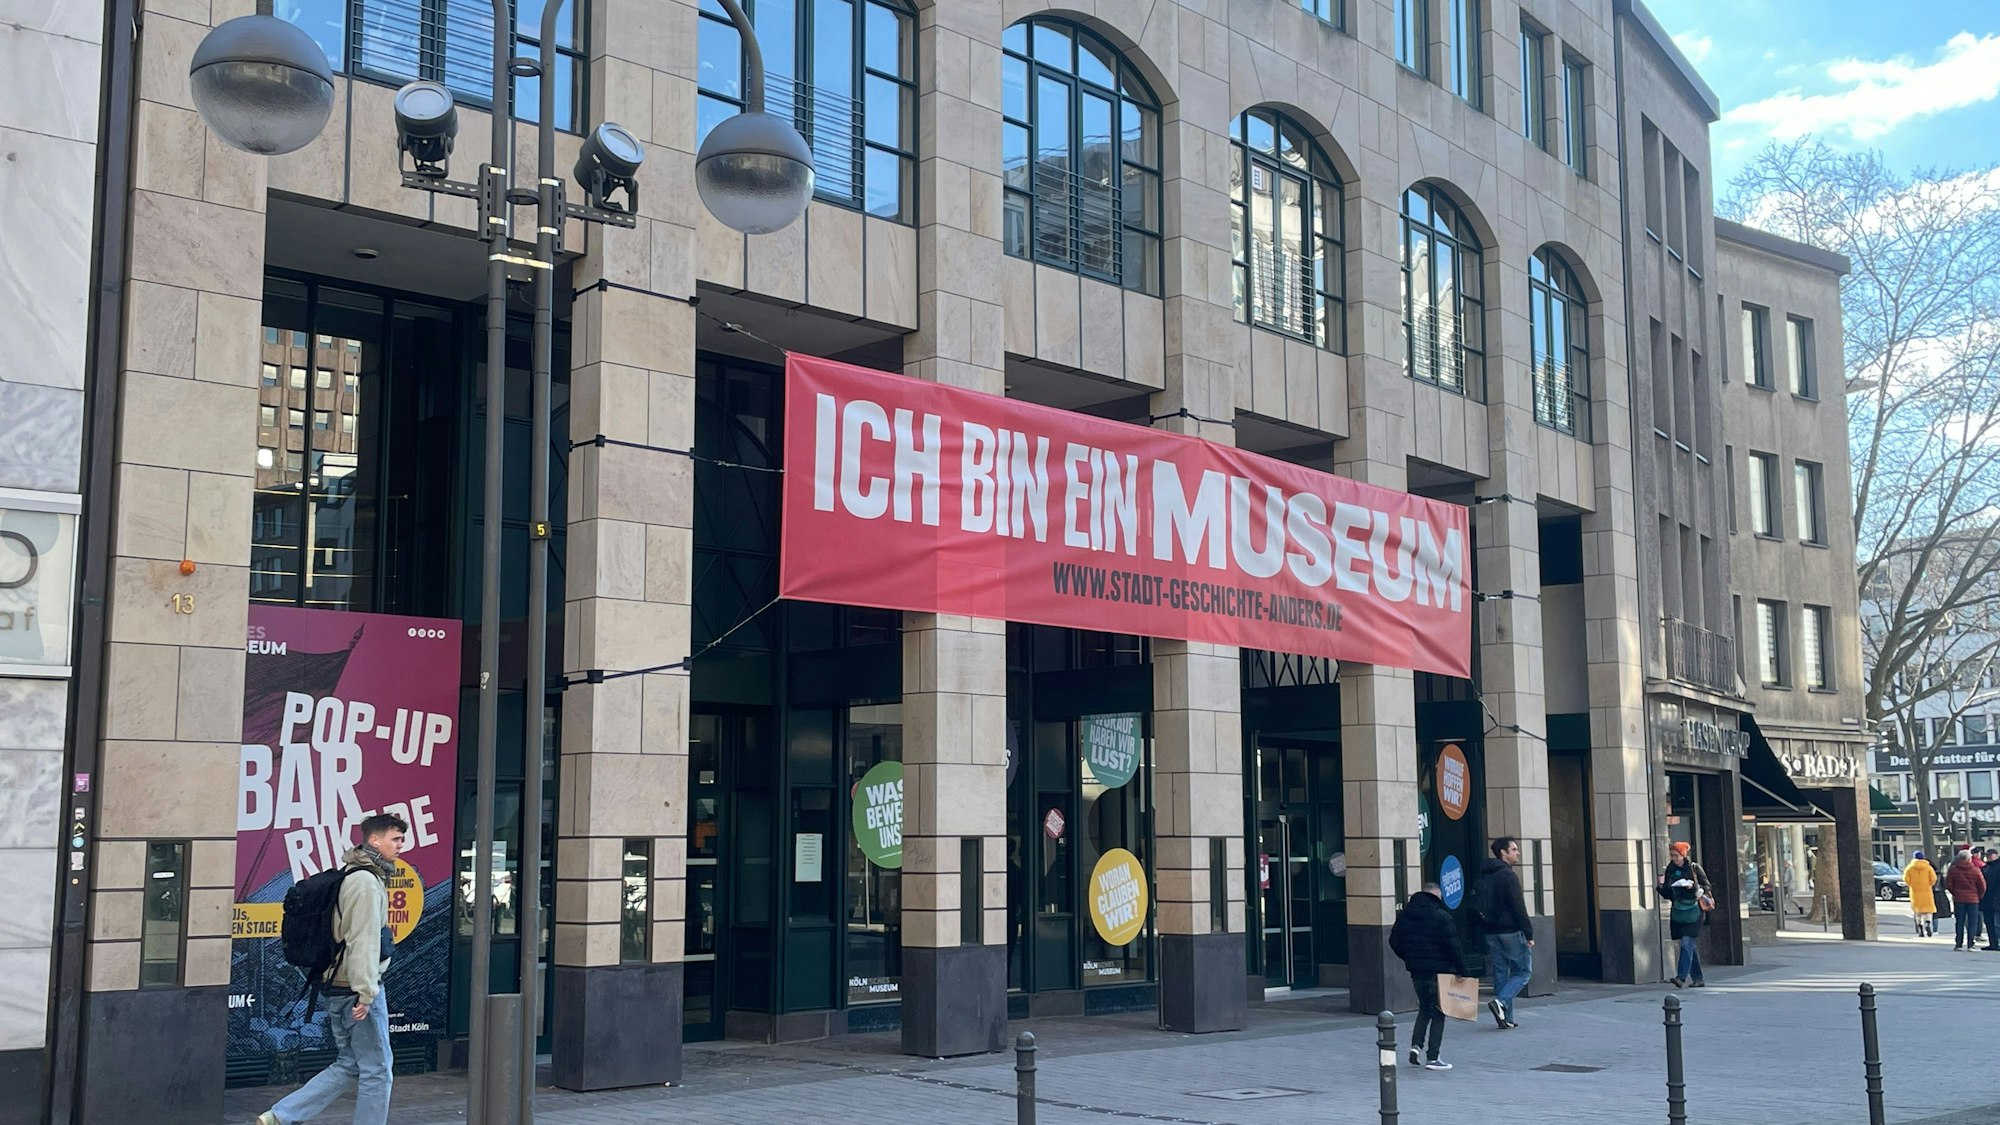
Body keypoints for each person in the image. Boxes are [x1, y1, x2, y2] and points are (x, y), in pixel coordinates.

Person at [254, 812, 407, 1125]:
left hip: (336, 986)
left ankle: (279, 1116)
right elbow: (363, 941)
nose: (401, 845)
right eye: (396, 838)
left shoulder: (350, 875)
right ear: (374, 841)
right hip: (355, 989)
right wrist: (366, 993)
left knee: (349, 1063)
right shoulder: (366, 883)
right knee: (378, 1070)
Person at [1389, 881, 1473, 1072]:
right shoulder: (1441, 916)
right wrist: (1463, 971)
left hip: (1417, 972)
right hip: (1440, 972)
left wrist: (1410, 958)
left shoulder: (1405, 916)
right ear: (1436, 896)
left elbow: (1394, 941)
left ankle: (1415, 1046)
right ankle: (1433, 1057)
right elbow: (1454, 947)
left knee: (1424, 1009)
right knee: (1439, 1012)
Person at [1473, 836, 1534, 1029]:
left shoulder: (1483, 875)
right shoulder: (1508, 876)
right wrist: (1529, 933)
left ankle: (1505, 1018)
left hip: (1491, 931)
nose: (1518, 853)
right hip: (1510, 931)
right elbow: (1518, 906)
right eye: (1514, 849)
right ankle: (1501, 1002)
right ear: (1503, 853)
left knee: (1501, 973)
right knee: (1523, 971)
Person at [1658, 842, 1710, 988]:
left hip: (1695, 911)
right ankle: (1698, 978)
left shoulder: (1694, 868)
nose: (1674, 858)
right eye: (1672, 855)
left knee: (1686, 943)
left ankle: (1681, 977)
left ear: (1683, 855)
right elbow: (1668, 893)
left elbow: (1707, 885)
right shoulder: (1671, 868)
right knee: (1689, 946)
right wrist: (1661, 887)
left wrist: (1694, 887)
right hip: (1680, 911)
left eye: (1676, 855)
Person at [1946, 846, 1987, 951]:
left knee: (1959, 921)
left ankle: (1959, 944)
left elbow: (1949, 884)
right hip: (1973, 900)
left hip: (1959, 899)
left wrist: (1955, 893)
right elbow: (1982, 886)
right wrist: (1978, 896)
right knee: (1972, 922)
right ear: (1969, 858)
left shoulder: (1953, 870)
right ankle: (1970, 944)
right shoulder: (1975, 870)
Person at [1905, 851, 1940, 938]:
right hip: (1927, 891)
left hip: (1915, 892)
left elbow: (1906, 879)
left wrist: (1912, 884)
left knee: (1917, 912)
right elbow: (1933, 878)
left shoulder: (1909, 868)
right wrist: (1929, 884)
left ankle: (1920, 928)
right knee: (1928, 910)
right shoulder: (1928, 867)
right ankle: (1927, 923)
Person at [1981, 849, 2000, 951]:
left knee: (1997, 923)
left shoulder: (1992, 868)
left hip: (1995, 899)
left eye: (1990, 855)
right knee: (1989, 923)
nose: (1988, 857)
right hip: (1987, 900)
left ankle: (1996, 943)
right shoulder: (1985, 868)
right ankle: (1993, 943)